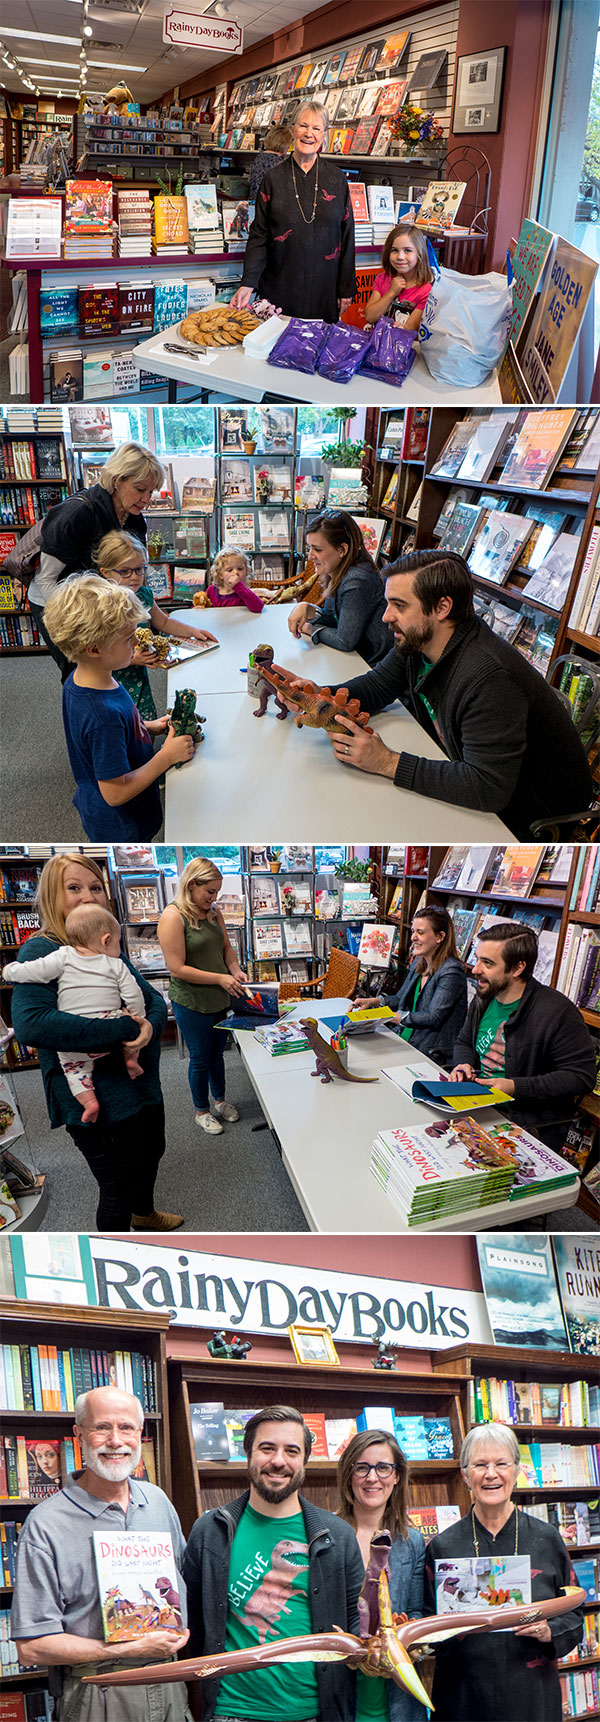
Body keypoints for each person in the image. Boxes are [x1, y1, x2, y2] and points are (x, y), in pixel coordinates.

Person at [303, 551, 592, 838]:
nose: (386, 616)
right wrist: (318, 695)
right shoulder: (419, 638)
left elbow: (487, 787)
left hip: (527, 818)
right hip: (474, 780)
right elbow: (378, 685)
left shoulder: (489, 678)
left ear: (442, 607)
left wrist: (387, 762)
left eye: (399, 606)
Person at [9, 852, 182, 1231]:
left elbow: (148, 998)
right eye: (74, 888)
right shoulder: (43, 950)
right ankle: (117, 1257)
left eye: (95, 887)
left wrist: (149, 1027)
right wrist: (124, 1029)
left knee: (152, 1151)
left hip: (139, 1079)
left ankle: (145, 1213)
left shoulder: (102, 937)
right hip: (92, 1090)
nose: (88, 896)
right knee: (115, 1188)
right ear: (53, 897)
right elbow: (33, 1025)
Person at [12, 1386, 191, 1722]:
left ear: (140, 1433)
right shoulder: (46, 1523)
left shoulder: (158, 1502)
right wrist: (126, 1650)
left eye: (126, 1427)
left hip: (169, 1683)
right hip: (98, 1692)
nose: (115, 1440)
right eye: (101, 1428)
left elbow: (181, 1589)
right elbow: (31, 1646)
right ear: (79, 1435)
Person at [182, 1403, 364, 1722]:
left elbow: (355, 1624)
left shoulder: (338, 1536)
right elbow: (193, 1624)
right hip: (231, 1712)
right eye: (267, 1448)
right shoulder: (209, 1532)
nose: (278, 1461)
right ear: (248, 1453)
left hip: (316, 1712)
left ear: (304, 1460)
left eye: (291, 1451)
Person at [423, 1422, 584, 1722]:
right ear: (465, 1476)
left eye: (501, 1464)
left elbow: (575, 1614)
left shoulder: (547, 1538)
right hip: (463, 1698)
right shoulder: (442, 1546)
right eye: (480, 1465)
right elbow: (428, 1622)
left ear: (517, 1471)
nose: (491, 1474)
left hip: (531, 1698)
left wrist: (550, 1631)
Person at [43, 575, 195, 842]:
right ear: (94, 649)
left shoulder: (85, 679)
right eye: (128, 638)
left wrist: (148, 727)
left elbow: (97, 738)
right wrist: (166, 757)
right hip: (122, 823)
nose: (137, 642)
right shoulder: (102, 715)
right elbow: (115, 793)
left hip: (114, 803)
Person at [450, 921, 596, 1151]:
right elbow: (464, 1041)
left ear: (518, 968)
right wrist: (463, 1063)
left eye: (487, 963)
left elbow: (581, 1077)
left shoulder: (558, 1012)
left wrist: (515, 1087)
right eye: (477, 958)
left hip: (524, 1127)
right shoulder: (485, 996)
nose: (475, 969)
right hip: (477, 1107)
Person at [29, 441, 166, 681]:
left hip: (95, 600)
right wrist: (83, 619)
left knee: (109, 668)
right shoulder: (77, 513)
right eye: (140, 489)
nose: (146, 499)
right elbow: (46, 580)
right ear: (116, 479)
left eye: (151, 492)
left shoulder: (133, 516)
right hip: (57, 602)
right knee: (81, 672)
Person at [4, 902, 149, 1125]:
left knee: (73, 1070)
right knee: (131, 1041)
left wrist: (9, 970)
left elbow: (35, 971)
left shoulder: (63, 956)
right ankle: (131, 1061)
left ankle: (89, 1101)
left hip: (74, 1036)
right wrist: (137, 1018)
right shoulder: (115, 963)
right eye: (118, 942)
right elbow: (134, 994)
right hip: (108, 1023)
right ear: (106, 940)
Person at [231, 104, 356, 322]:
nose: (309, 134)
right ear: (292, 130)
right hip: (279, 288)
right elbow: (259, 234)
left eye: (317, 128)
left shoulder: (337, 180)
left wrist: (346, 287)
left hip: (325, 288)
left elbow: (347, 235)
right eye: (303, 126)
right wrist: (248, 283)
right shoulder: (273, 178)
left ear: (324, 135)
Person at [337, 1428, 425, 1722]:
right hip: (341, 1693)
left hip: (396, 1698)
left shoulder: (412, 1542)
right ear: (349, 1475)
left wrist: (412, 1647)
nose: (372, 1478)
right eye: (361, 1468)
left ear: (397, 1475)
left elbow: (415, 1613)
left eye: (383, 1467)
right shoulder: (327, 1536)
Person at [158, 857, 248, 1136]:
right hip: (192, 1000)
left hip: (220, 997)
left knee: (217, 1054)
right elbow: (178, 968)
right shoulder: (173, 917)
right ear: (192, 884)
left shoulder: (213, 912)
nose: (214, 898)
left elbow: (226, 949)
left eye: (217, 893)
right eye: (209, 892)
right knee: (200, 1057)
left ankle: (220, 1101)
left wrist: (235, 969)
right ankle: (202, 1111)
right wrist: (221, 978)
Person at [94, 530, 217, 720]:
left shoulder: (142, 594)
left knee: (145, 719)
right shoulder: (101, 605)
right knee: (120, 720)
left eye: (140, 569)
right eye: (125, 571)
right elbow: (97, 654)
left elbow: (164, 622)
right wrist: (134, 658)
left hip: (138, 673)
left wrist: (193, 631)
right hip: (112, 677)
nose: (134, 577)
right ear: (105, 572)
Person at [288, 511, 390, 666]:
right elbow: (334, 617)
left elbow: (345, 641)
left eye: (317, 549)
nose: (310, 556)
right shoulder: (339, 570)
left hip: (368, 666)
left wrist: (310, 628)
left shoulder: (358, 580)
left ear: (342, 550)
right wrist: (308, 609)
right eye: (310, 548)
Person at [374, 906, 467, 1065]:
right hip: (407, 1038)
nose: (413, 937)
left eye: (420, 932)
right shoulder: (419, 961)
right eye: (413, 931)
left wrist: (388, 1016)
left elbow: (434, 1017)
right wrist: (375, 1002)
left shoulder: (452, 971)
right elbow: (400, 998)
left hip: (430, 1052)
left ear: (440, 937)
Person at [365, 226, 435, 331]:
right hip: (375, 341)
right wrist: (391, 293)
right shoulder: (382, 278)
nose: (400, 257)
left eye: (407, 250)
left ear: (419, 253)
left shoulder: (425, 291)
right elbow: (370, 317)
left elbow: (410, 328)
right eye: (394, 250)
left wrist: (400, 329)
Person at [206, 548, 265, 612]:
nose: (236, 572)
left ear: (246, 571)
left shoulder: (244, 592)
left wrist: (239, 587)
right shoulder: (211, 590)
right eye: (230, 570)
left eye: (240, 569)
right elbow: (204, 607)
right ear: (220, 575)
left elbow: (258, 607)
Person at [249, 123, 293, 202]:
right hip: (270, 208)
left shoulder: (259, 157)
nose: (289, 147)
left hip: (256, 205)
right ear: (283, 143)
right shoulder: (279, 163)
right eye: (288, 144)